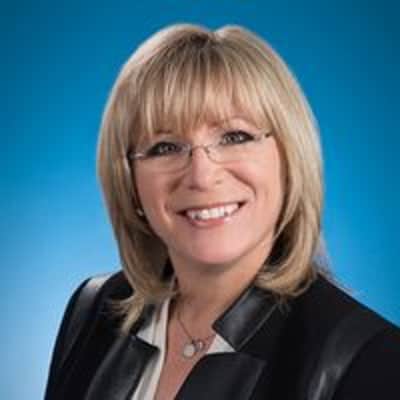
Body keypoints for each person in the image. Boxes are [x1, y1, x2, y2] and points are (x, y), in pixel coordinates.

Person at [45, 24, 400, 400]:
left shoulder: (370, 360)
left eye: (234, 137)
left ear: (289, 159)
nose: (201, 175)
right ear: (129, 179)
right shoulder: (95, 310)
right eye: (166, 146)